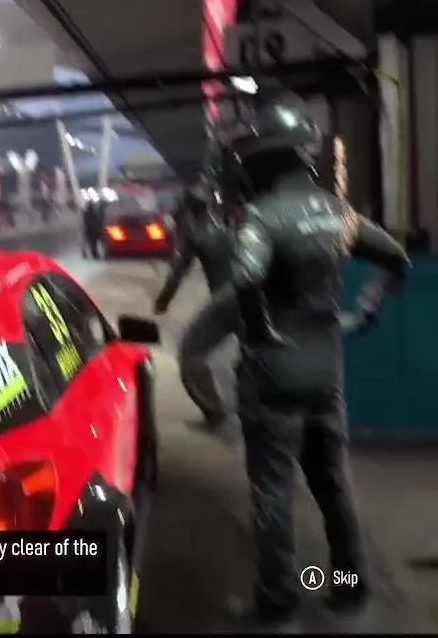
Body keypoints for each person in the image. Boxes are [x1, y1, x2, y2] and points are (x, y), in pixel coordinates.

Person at [214, 95, 411, 630]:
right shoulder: (340, 214)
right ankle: (348, 587)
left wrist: (259, 329)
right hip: (326, 372)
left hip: (273, 373)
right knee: (332, 484)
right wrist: (363, 313)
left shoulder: (260, 217)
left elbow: (247, 276)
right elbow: (397, 259)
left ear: (261, 161)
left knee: (274, 491)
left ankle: (278, 603)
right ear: (305, 153)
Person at [152, 178, 236, 432]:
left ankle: (215, 413)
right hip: (252, 297)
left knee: (190, 355)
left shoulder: (196, 233)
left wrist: (162, 302)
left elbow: (178, 273)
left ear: (187, 211)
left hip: (226, 303)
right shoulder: (228, 225)